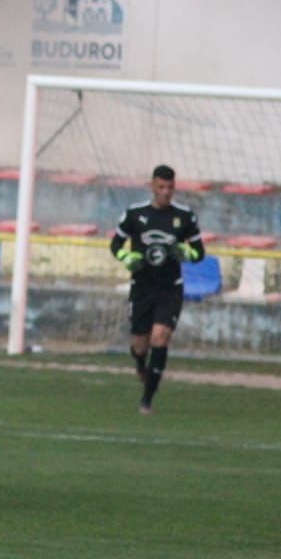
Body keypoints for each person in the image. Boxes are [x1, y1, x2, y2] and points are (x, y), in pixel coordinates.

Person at [109, 165, 204, 415]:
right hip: (142, 287)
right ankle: (140, 364)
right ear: (152, 186)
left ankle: (147, 398)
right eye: (161, 187)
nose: (166, 192)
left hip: (170, 289)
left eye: (170, 187)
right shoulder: (135, 213)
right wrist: (126, 257)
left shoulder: (184, 216)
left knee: (160, 337)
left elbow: (199, 253)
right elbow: (115, 244)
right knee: (140, 345)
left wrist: (186, 252)